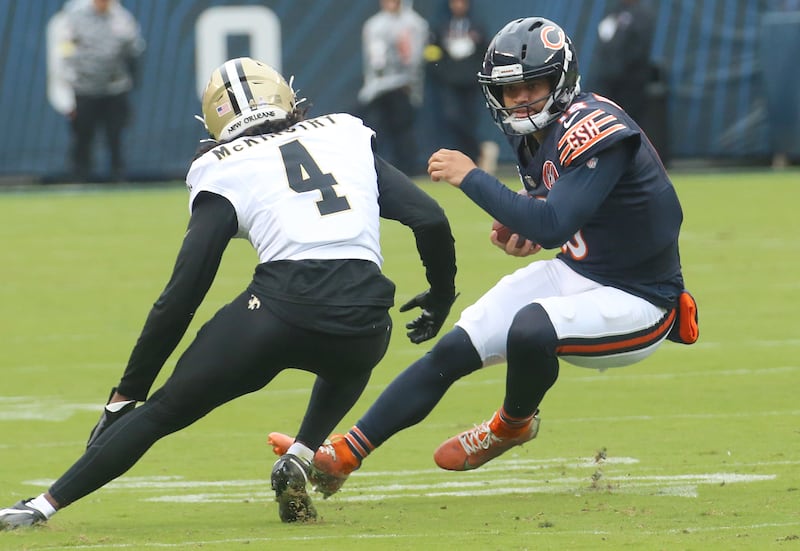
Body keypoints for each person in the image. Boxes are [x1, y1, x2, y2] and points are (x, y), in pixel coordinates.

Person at [0, 57, 457, 529]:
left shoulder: (223, 165)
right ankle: (300, 456)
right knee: (350, 353)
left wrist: (127, 395)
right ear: (284, 94)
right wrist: (442, 294)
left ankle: (40, 507)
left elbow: (183, 293)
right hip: (366, 315)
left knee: (162, 411)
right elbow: (430, 219)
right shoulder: (343, 132)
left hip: (277, 313)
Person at [267, 16, 698, 498]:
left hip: (641, 298)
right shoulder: (532, 132)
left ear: (561, 80)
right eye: (509, 90)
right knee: (454, 348)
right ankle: (344, 455)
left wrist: (474, 178)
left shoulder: (595, 128)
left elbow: (554, 224)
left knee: (531, 326)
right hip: (582, 272)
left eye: (531, 86)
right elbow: (559, 216)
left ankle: (511, 425)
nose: (519, 100)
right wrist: (526, 224)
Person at [61, 0, 145, 182]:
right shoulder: (76, 14)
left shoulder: (121, 17)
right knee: (83, 134)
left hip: (114, 87)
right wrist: (71, 80)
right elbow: (66, 48)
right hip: (85, 87)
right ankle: (80, 175)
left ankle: (118, 174)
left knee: (115, 133)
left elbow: (134, 47)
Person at [359, 0, 429, 176]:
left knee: (403, 131)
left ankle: (408, 171)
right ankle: (375, 170)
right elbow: (372, 61)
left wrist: (411, 85)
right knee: (376, 130)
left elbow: (414, 59)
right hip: (377, 88)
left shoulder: (414, 23)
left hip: (402, 86)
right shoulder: (373, 24)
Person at [425, 0, 487, 163]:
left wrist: (475, 73)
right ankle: (461, 156)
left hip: (471, 84)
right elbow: (432, 54)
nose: (458, 5)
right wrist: (444, 73)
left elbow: (484, 52)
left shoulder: (477, 26)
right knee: (452, 117)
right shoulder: (441, 27)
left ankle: (475, 156)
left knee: (470, 120)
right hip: (450, 83)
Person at [588, 0, 655, 124]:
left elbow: (639, 50)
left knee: (625, 122)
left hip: (629, 84)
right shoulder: (614, 12)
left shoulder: (642, 14)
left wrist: (618, 69)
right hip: (608, 82)